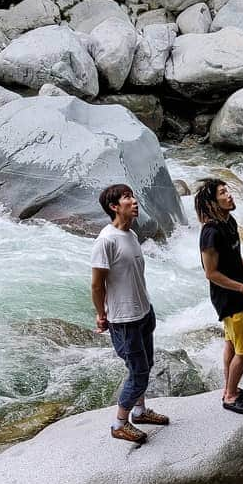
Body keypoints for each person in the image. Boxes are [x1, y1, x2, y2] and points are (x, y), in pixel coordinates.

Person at [91, 183, 170, 444]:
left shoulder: (132, 235)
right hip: (124, 320)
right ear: (114, 207)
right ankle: (119, 423)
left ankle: (140, 411)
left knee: (144, 366)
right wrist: (101, 314)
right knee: (138, 373)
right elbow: (96, 284)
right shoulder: (106, 240)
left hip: (143, 312)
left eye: (132, 196)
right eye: (127, 198)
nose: (134, 201)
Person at [196, 178, 243, 415]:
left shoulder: (229, 222)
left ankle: (232, 387)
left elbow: (233, 258)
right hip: (228, 297)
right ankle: (230, 397)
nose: (229, 195)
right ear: (212, 202)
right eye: (222, 192)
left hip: (236, 293)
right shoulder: (209, 233)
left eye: (227, 190)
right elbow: (211, 273)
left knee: (231, 342)